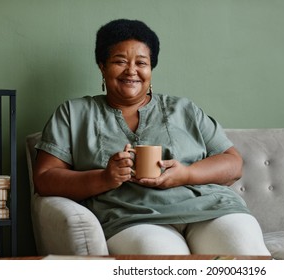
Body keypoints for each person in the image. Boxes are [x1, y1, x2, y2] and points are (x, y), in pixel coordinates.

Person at [34, 18, 270, 256]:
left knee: (245, 254)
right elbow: (44, 178)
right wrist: (104, 178)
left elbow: (233, 163)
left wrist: (185, 174)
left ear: (151, 69)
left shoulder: (184, 109)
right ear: (102, 66)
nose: (131, 71)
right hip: (132, 217)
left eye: (141, 63)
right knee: (162, 260)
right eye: (120, 61)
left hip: (212, 209)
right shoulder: (73, 113)